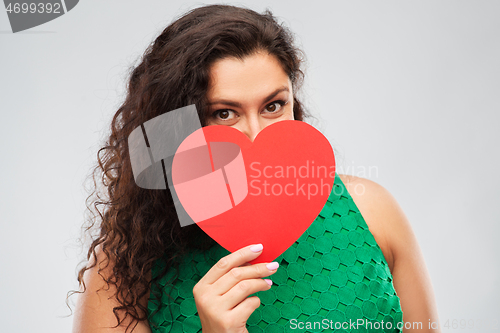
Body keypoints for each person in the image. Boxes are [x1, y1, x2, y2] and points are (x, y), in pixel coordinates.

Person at [71, 4, 441, 333]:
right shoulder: (121, 275)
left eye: (273, 106)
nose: (255, 135)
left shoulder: (372, 212)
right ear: (177, 125)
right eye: (224, 113)